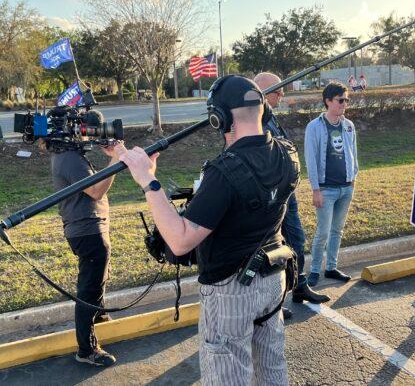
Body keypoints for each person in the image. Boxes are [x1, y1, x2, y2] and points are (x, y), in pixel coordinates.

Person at [120, 75, 299, 385]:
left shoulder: (224, 172)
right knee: (272, 368)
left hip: (232, 290)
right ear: (263, 110)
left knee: (228, 376)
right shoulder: (288, 154)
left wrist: (149, 181)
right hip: (273, 278)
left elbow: (179, 241)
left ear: (219, 119)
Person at [254, 72, 331, 320]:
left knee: (296, 241)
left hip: (287, 192)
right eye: (278, 93)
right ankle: (272, 301)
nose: (282, 96)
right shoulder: (252, 122)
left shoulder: (270, 117)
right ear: (264, 94)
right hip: (270, 197)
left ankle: (299, 286)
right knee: (271, 249)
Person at [49, 131, 126, 367]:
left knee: (98, 279)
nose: (89, 134)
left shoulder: (70, 155)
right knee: (90, 288)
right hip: (87, 231)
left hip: (89, 228)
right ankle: (87, 349)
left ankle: (99, 318)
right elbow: (95, 191)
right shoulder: (70, 157)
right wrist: (116, 160)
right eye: (84, 128)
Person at [304, 82, 358, 287]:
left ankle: (331, 267)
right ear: (328, 101)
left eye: (346, 100)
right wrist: (315, 189)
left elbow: (353, 152)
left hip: (346, 187)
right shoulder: (314, 126)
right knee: (323, 231)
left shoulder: (348, 125)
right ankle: (315, 270)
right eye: (340, 100)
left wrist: (353, 177)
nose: (345, 104)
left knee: (337, 230)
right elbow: (310, 158)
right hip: (325, 189)